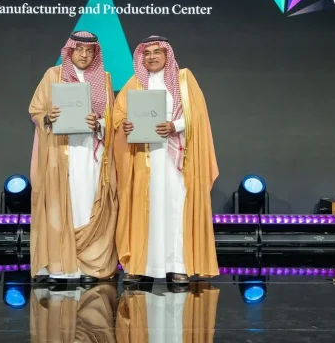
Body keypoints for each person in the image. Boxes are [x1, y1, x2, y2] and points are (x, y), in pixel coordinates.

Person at [113, 36, 219, 284]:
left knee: (174, 208)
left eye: (156, 52)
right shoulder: (135, 83)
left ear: (167, 54)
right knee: (145, 209)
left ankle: (177, 266)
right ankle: (140, 265)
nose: (151, 57)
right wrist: (125, 125)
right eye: (147, 53)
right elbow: (118, 116)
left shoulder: (184, 79)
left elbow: (198, 117)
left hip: (176, 160)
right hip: (145, 158)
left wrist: (174, 125)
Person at [29, 31, 118, 283]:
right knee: (61, 206)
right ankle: (61, 268)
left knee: (88, 205)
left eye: (90, 51)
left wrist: (98, 123)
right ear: (69, 51)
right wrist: (48, 117)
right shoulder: (53, 75)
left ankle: (89, 266)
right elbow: (35, 110)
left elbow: (111, 119)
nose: (84, 55)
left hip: (91, 155)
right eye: (79, 49)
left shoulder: (104, 79)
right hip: (61, 153)